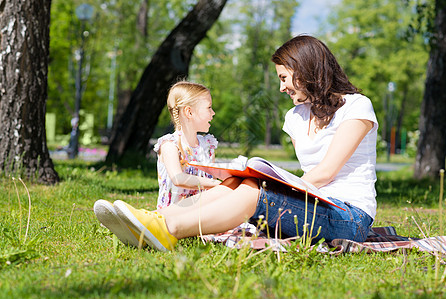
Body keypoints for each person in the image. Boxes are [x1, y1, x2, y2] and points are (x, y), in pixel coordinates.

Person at [106, 35, 378, 252]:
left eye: (284, 77)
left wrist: (277, 185)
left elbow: (326, 173)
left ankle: (169, 230)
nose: (282, 87)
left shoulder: (356, 107)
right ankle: (155, 219)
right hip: (312, 204)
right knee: (239, 182)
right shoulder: (295, 117)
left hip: (348, 216)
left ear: (306, 71)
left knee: (253, 191)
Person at [94, 81, 221, 247]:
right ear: (189, 112)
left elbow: (213, 174)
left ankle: (133, 226)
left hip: (203, 210)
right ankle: (138, 223)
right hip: (174, 212)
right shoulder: (170, 144)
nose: (213, 113)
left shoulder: (207, 145)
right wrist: (213, 183)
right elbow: (178, 178)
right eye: (208, 108)